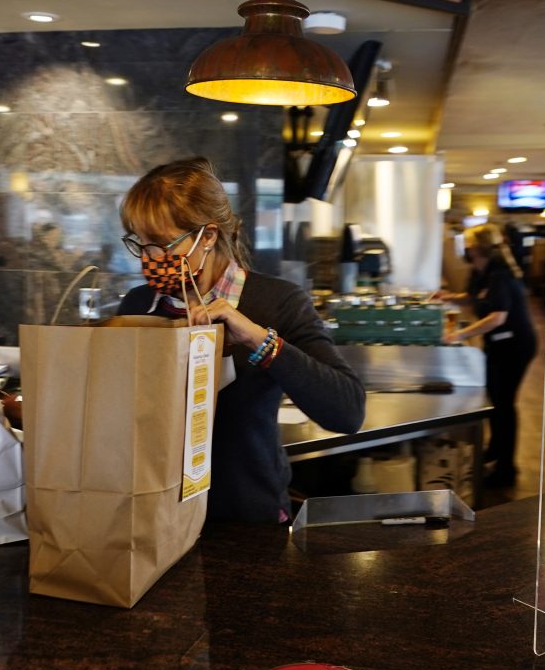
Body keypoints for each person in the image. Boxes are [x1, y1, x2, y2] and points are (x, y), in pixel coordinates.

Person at [117, 158, 365, 524]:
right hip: (154, 516)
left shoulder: (277, 302)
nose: (152, 258)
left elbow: (347, 412)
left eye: (164, 244)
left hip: (246, 518)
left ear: (209, 236)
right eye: (142, 245)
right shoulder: (138, 306)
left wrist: (257, 339)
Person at [443, 224, 537, 489]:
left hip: (515, 345)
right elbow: (474, 298)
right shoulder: (482, 271)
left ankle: (507, 469)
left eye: (468, 244)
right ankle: (494, 452)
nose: (465, 248)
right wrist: (449, 297)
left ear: (477, 249)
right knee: (496, 400)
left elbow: (497, 317)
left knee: (504, 405)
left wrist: (458, 336)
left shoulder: (501, 274)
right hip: (499, 344)